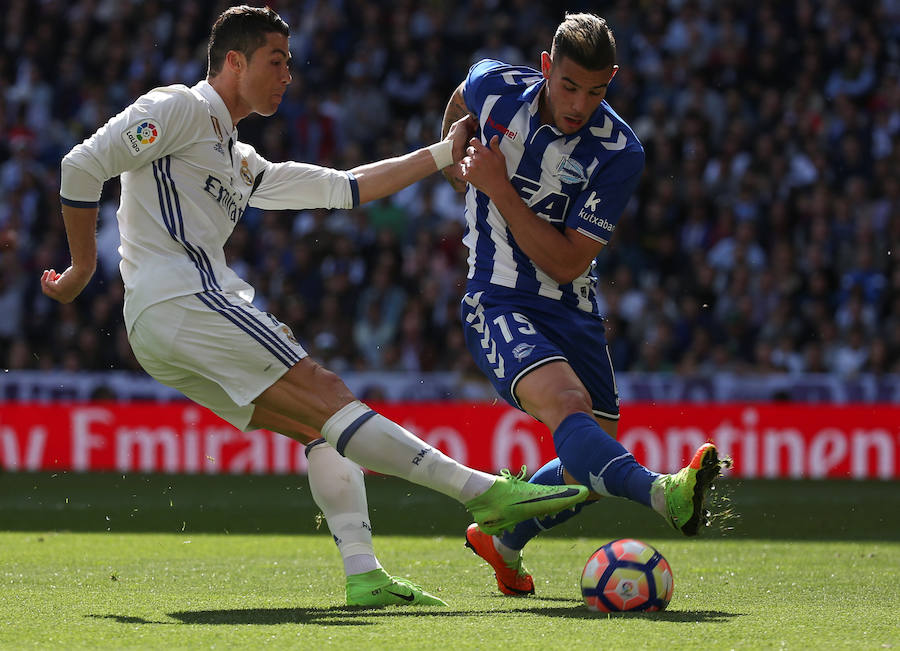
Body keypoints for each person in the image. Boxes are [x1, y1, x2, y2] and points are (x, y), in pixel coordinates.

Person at [40, 5, 588, 608]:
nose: (287, 75)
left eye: (291, 64)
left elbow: (343, 188)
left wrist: (439, 154)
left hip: (166, 324)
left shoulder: (236, 157)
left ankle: (364, 574)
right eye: (276, 61)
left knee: (322, 429)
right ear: (234, 60)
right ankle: (483, 493)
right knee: (327, 392)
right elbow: (82, 164)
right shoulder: (179, 108)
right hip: (182, 299)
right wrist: (84, 266)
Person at [440, 12, 723, 597]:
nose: (578, 103)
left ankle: (502, 542)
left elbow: (567, 261)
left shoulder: (620, 151)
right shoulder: (497, 86)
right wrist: (456, 159)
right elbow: (460, 97)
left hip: (573, 304)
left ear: (611, 80)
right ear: (547, 68)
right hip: (497, 296)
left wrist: (496, 187)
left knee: (589, 472)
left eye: (595, 91)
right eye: (568, 86)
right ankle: (661, 493)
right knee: (570, 408)